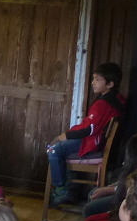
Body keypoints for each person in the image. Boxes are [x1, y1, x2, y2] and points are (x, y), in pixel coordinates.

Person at [46, 63, 126, 206]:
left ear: (110, 84)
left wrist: (66, 135)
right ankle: (72, 190)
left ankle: (61, 189)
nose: (92, 82)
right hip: (95, 141)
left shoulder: (102, 103)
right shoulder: (117, 98)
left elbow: (88, 129)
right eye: (93, 79)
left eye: (97, 79)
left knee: (52, 149)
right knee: (60, 148)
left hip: (91, 142)